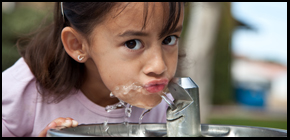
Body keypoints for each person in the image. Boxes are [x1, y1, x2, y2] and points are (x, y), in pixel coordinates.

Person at [2, 2, 184, 137]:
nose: (159, 66)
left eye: (169, 39)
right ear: (78, 45)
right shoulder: (20, 92)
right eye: (132, 43)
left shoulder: (168, 105)